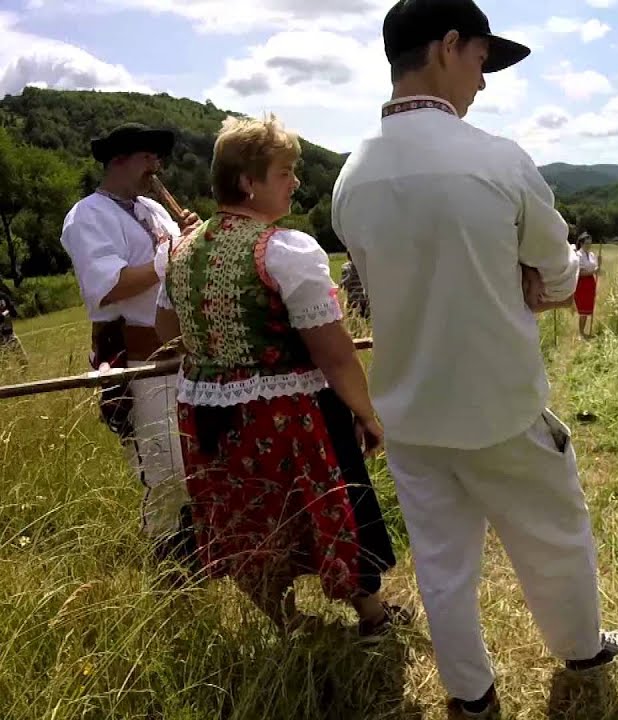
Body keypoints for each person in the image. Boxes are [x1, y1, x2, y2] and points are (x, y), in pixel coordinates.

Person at [330, 0, 618, 715]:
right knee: (556, 537)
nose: (482, 81)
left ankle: (470, 697)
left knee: (443, 566)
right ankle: (582, 649)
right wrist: (537, 282)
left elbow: (375, 284)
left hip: (409, 411)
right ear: (449, 46)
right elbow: (559, 274)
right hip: (499, 403)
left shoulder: (351, 177)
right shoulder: (497, 159)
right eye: (481, 60)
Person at [154, 115, 405, 638]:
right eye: (284, 172)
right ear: (249, 181)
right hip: (289, 413)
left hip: (208, 417)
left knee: (243, 516)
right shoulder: (283, 250)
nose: (295, 182)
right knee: (333, 500)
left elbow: (166, 328)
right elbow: (334, 354)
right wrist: (366, 414)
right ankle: (373, 617)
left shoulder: (179, 251)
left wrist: (219, 349)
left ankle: (286, 620)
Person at [59, 123, 201, 570]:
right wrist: (171, 256)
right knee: (164, 469)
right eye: (147, 157)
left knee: (196, 462)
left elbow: (175, 265)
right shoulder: (87, 216)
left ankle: (203, 560)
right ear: (119, 160)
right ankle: (170, 572)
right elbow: (109, 287)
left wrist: (192, 242)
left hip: (184, 355)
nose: (156, 167)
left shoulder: (152, 209)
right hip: (140, 360)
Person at [572, 231, 600, 338]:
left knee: (588, 309)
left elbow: (595, 269)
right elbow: (579, 273)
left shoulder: (591, 255)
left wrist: (599, 265)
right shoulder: (578, 255)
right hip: (582, 284)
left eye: (590, 243)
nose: (589, 245)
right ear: (581, 243)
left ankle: (584, 332)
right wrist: (594, 271)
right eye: (586, 243)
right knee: (583, 311)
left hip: (591, 283)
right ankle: (581, 333)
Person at [340, 253, 370, 320]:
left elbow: (344, 284)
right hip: (360, 299)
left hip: (357, 299)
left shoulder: (348, 267)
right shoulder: (365, 266)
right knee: (361, 319)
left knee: (357, 319)